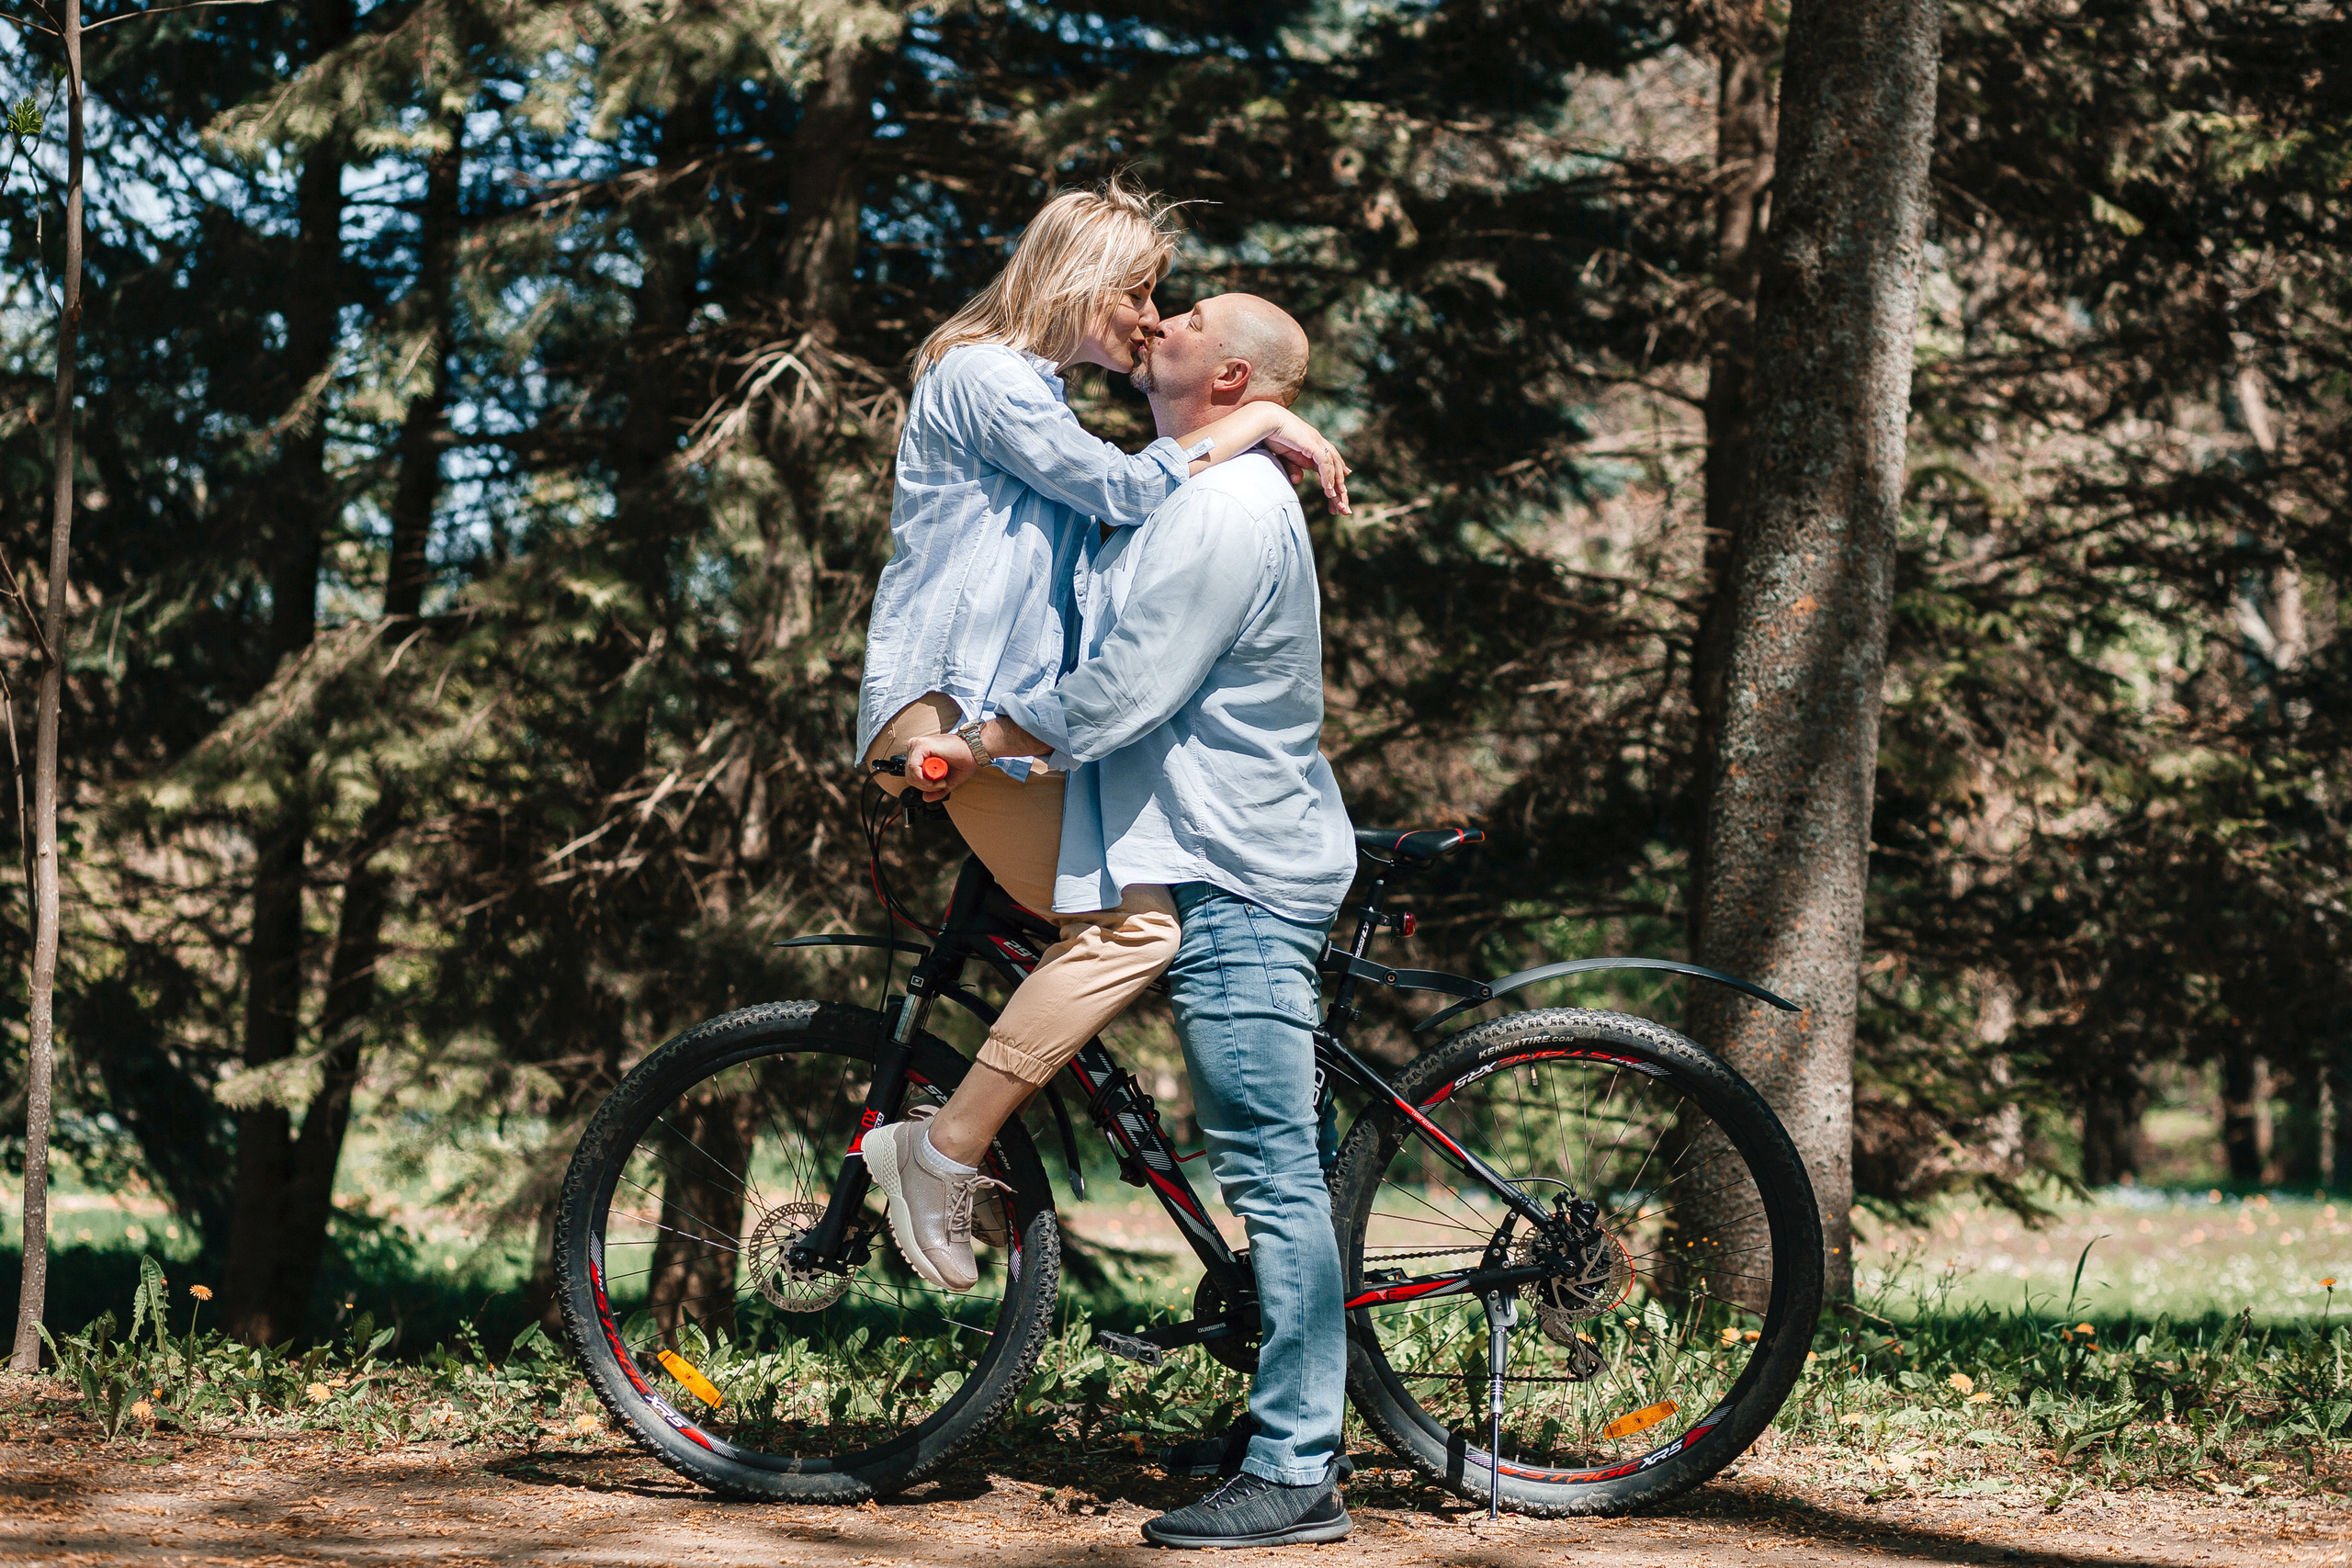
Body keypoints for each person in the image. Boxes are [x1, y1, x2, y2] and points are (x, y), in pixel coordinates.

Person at [907, 293, 1358, 1550]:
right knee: (1281, 1162)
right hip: (1212, 847)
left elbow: (1123, 686)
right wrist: (1271, 421)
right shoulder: (1198, 485)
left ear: (1223, 370)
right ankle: (1290, 1415)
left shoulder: (1225, 513)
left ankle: (1297, 1467)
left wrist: (977, 743)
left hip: (1239, 866)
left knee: (1272, 1166)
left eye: (1189, 312)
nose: (1158, 314)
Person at [854, 177, 1351, 1296]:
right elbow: (1123, 495)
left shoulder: (1019, 388)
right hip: (953, 713)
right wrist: (1259, 420)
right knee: (1132, 934)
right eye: (1137, 291)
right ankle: (941, 1149)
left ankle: (955, 1138)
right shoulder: (984, 377)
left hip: (1001, 724)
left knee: (1111, 931)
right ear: (1081, 282)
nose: (1145, 316)